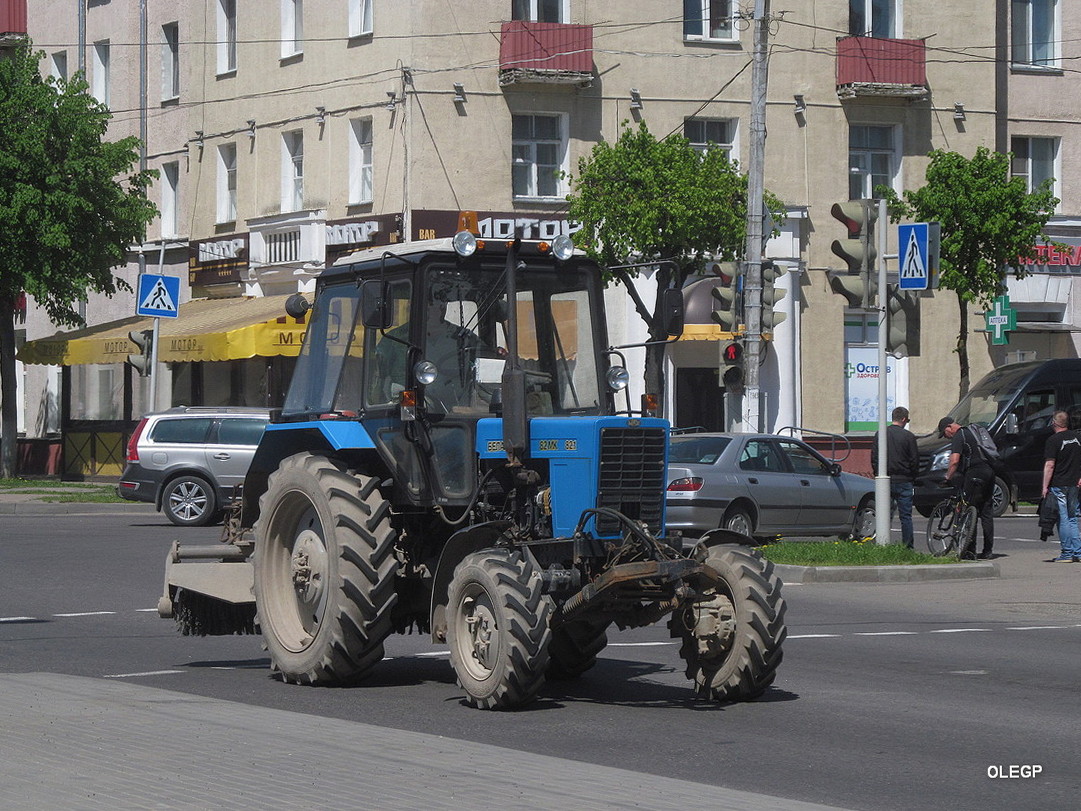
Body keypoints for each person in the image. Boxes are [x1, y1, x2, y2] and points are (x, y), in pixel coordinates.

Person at [938, 416, 995, 560]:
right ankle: (988, 551)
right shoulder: (972, 432)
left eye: (945, 433)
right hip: (989, 471)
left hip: (974, 473)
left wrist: (947, 478)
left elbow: (954, 461)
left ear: (949, 427)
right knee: (986, 512)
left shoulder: (959, 435)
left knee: (970, 508)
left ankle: (970, 550)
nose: (946, 437)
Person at [871, 406, 920, 548]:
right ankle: (908, 547)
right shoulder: (908, 436)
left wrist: (878, 474)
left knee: (884, 515)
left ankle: (883, 544)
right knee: (906, 517)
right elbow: (914, 460)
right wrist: (913, 476)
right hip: (904, 480)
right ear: (904, 419)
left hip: (885, 480)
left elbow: (874, 457)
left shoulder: (880, 434)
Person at [1041, 410, 1081, 563]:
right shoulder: (1078, 438)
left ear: (1054, 423)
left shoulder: (1053, 440)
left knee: (1063, 518)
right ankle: (1078, 552)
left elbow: (1050, 465)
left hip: (1059, 484)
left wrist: (1045, 486)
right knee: (1072, 518)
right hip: (1074, 484)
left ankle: (1067, 553)